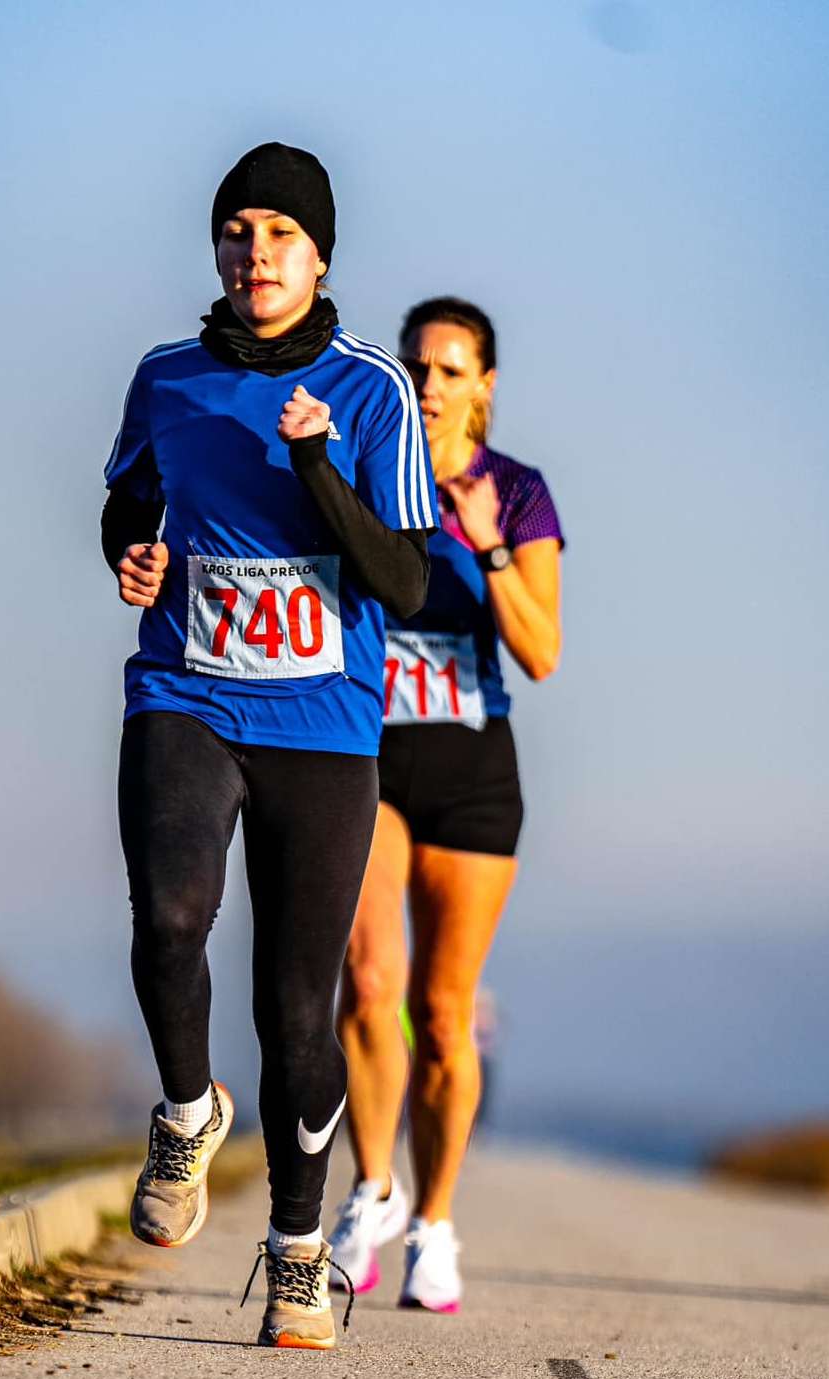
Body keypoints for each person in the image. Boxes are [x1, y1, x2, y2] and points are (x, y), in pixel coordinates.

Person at [102, 143, 437, 1349]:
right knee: (167, 918)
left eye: (281, 233)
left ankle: (298, 1251)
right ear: (216, 249)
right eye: (237, 231)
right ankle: (186, 1112)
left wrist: (314, 461)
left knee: (298, 1011)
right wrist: (132, 554)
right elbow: (129, 502)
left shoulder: (371, 390)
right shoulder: (167, 377)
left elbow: (403, 580)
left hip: (321, 725)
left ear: (320, 255)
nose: (256, 253)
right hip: (185, 691)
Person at [327, 297, 564, 1312]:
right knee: (369, 980)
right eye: (416, 367)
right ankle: (371, 1190)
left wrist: (488, 542)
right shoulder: (365, 469)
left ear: (484, 386)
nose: (428, 386)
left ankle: (434, 1223)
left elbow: (541, 651)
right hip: (368, 757)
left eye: (449, 370)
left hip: (472, 768)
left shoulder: (518, 491)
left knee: (442, 1011)